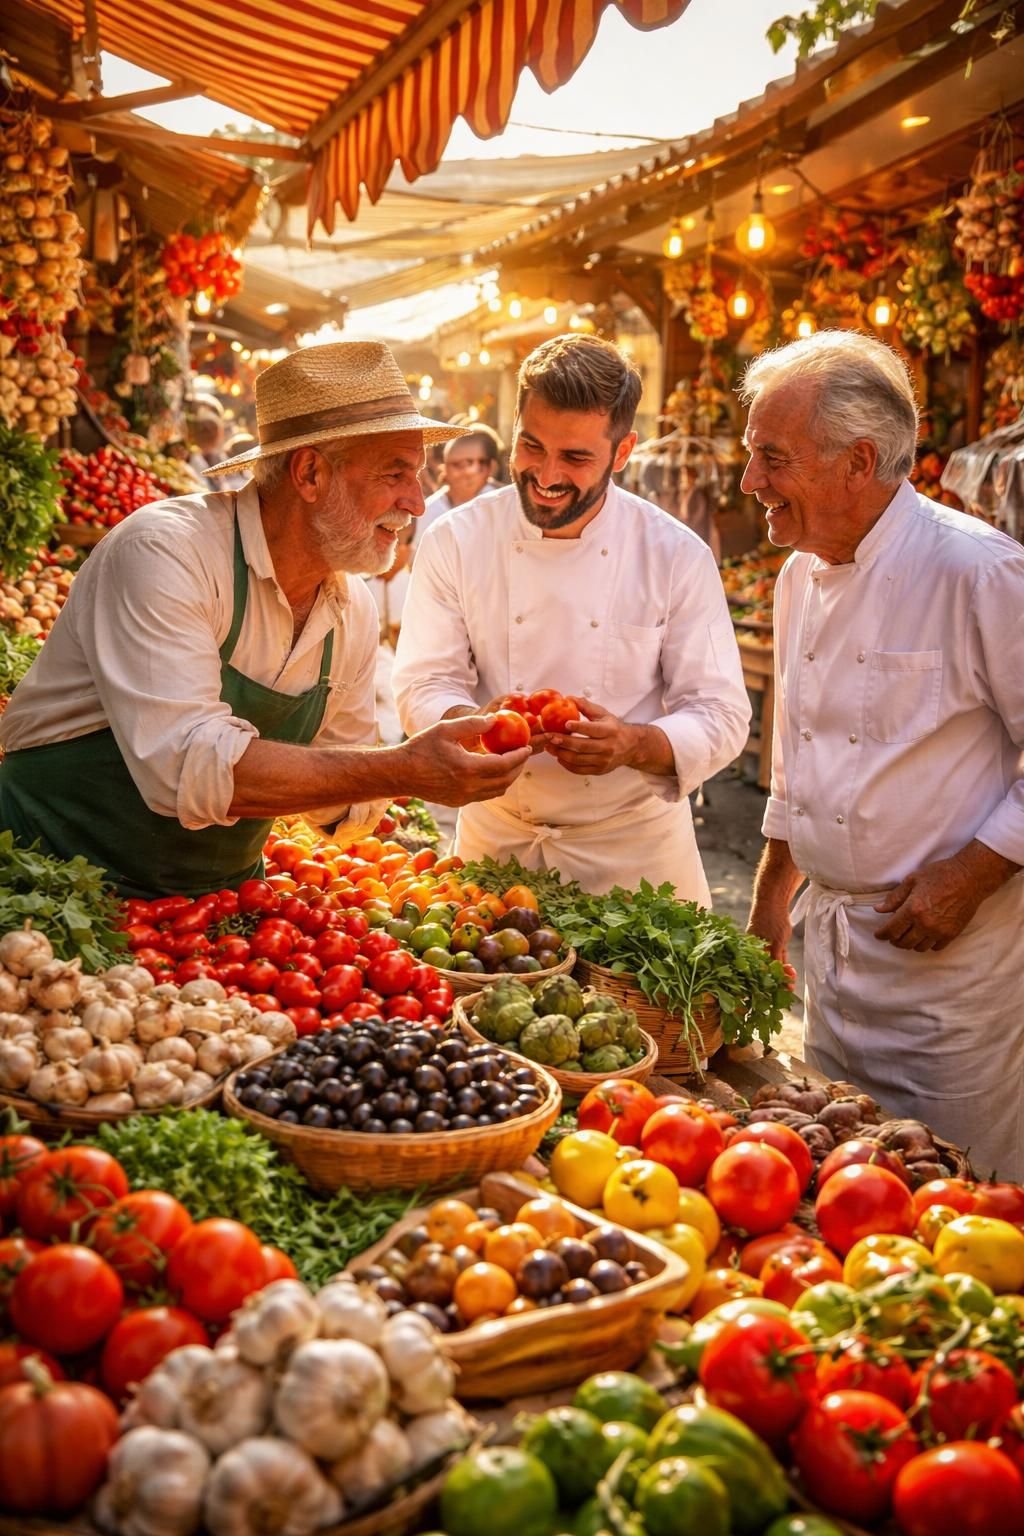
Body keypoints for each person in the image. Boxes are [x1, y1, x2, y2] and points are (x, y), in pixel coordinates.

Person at [0, 342, 530, 898]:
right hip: (48, 887)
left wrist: (426, 761)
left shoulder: (351, 608)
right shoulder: (166, 553)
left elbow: (342, 797)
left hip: (210, 908)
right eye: (395, 473)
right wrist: (397, 769)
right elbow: (183, 766)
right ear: (309, 474)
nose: (418, 502)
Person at [741, 329, 1024, 1178]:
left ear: (857, 460)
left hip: (947, 981)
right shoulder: (798, 575)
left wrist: (970, 874)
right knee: (838, 1183)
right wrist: (767, 902)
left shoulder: (978, 571)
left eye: (771, 457)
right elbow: (798, 757)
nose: (752, 482)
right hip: (836, 962)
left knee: (953, 1198)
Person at [392, 334, 750, 899]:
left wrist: (634, 743)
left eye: (576, 457)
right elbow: (423, 679)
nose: (547, 474)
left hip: (634, 860)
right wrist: (477, 724)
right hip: (496, 846)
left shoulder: (675, 554)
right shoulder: (456, 540)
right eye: (531, 446)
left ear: (624, 450)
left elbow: (721, 712)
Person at [416, 424, 503, 543]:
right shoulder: (430, 510)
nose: (466, 472)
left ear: (490, 468)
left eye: (470, 463)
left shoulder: (503, 504)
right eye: (458, 464)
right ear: (445, 467)